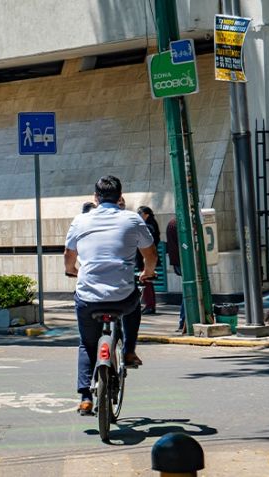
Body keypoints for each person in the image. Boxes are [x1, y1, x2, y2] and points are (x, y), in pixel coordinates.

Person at [64, 175, 158, 415]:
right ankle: (129, 351)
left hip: (88, 298)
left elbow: (68, 256)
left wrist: (72, 270)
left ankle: (85, 397)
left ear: (96, 198)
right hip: (122, 296)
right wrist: (147, 273)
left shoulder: (80, 221)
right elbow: (150, 254)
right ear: (120, 197)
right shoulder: (132, 219)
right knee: (133, 304)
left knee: (87, 343)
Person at [137, 206, 161, 315]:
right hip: (146, 257)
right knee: (147, 282)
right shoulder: (151, 224)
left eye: (140, 213)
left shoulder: (148, 226)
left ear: (146, 215)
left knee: (146, 281)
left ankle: (150, 305)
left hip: (145, 258)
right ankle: (149, 304)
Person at [166, 218, 185, 332]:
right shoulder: (179, 223)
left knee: (187, 290)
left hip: (177, 261)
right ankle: (183, 321)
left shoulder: (172, 223)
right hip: (182, 261)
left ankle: (183, 321)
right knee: (188, 291)